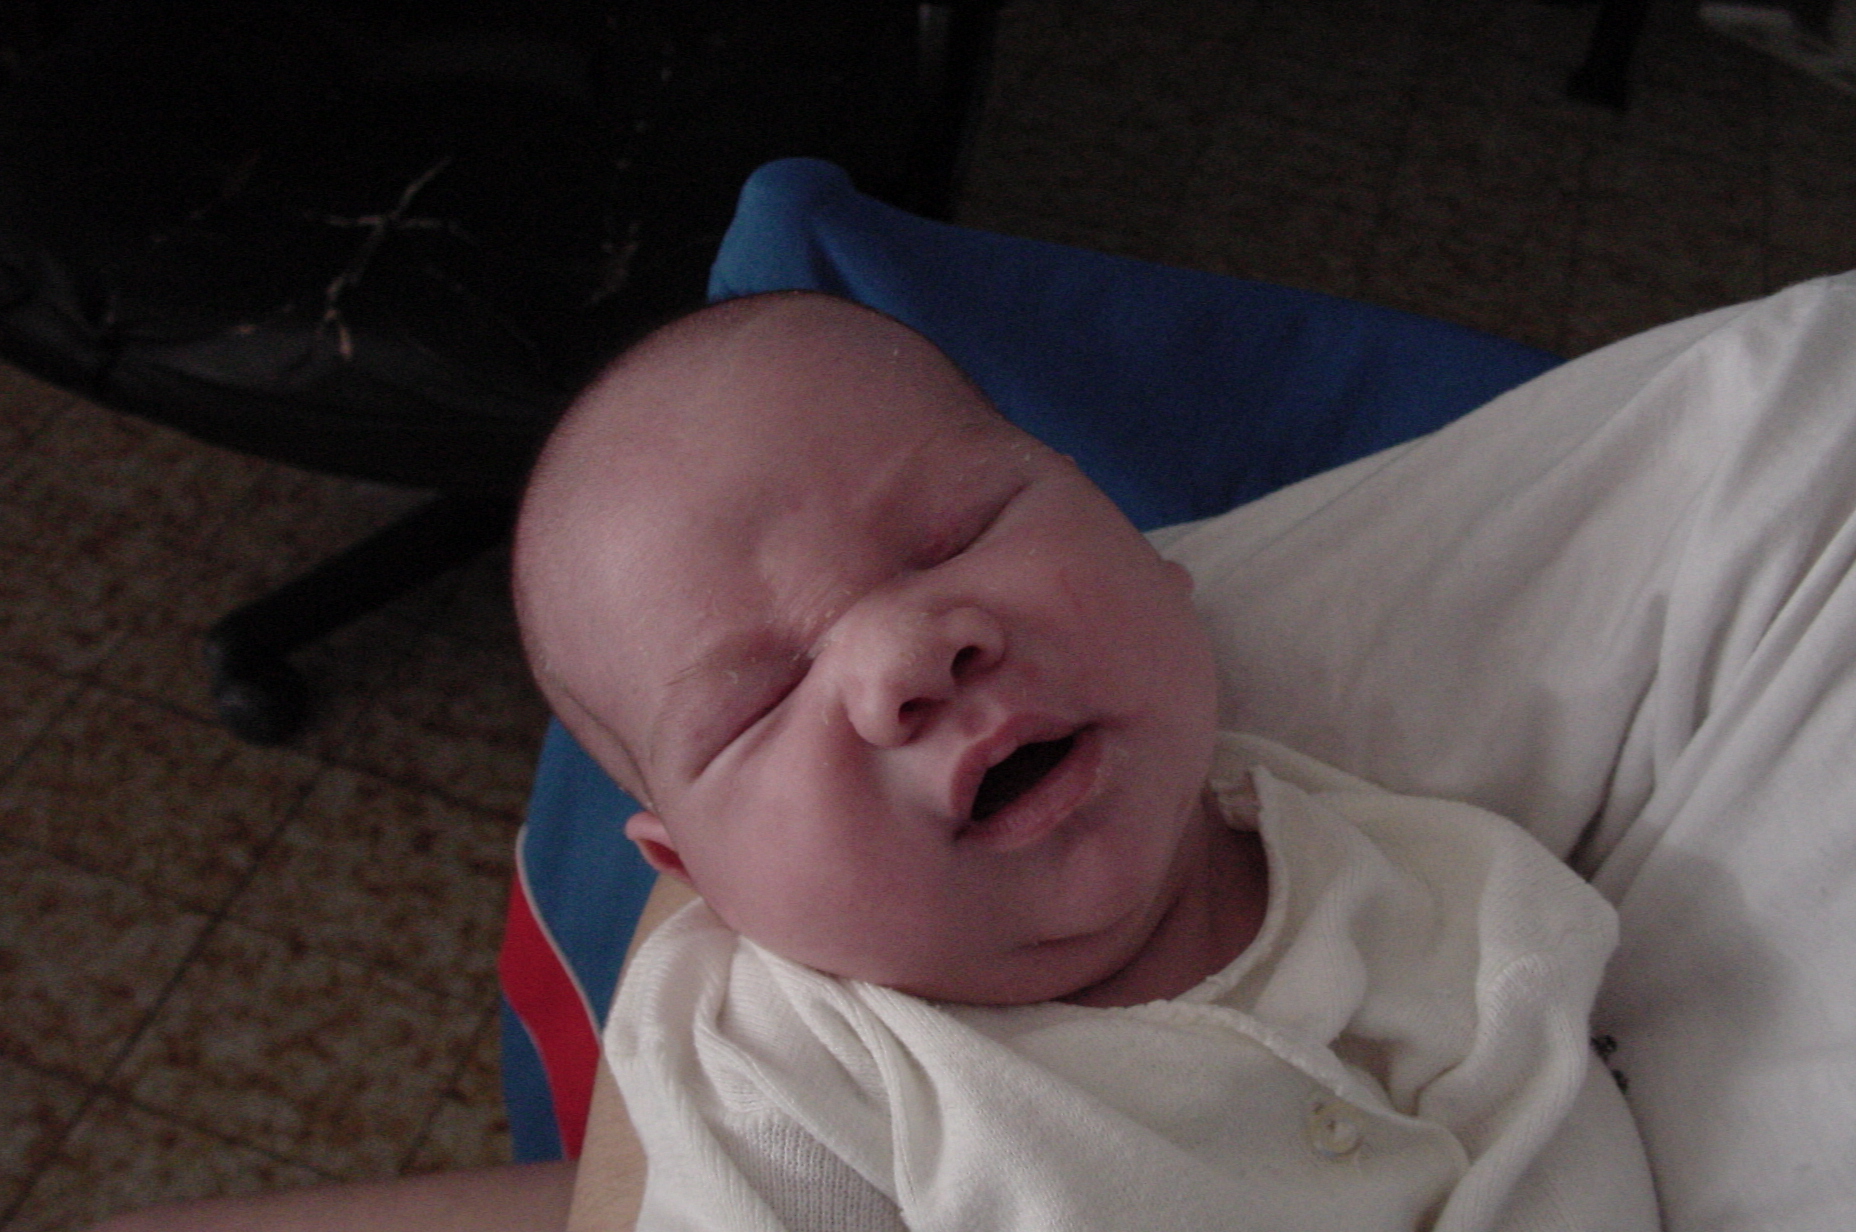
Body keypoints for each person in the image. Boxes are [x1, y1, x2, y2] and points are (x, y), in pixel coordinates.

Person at [509, 289, 1659, 1231]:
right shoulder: (778, 1067)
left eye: (959, 532)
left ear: (1145, 547)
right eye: (759, 700)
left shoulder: (1447, 896)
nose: (907, 653)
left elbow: (1577, 1177)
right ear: (699, 876)